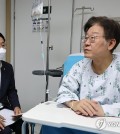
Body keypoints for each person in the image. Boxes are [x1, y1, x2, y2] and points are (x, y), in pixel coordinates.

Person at [40, 16, 120, 134]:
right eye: (86, 38)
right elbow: (64, 91)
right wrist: (75, 103)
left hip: (109, 126)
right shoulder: (80, 66)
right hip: (80, 122)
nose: (86, 43)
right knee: (49, 126)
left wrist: (103, 110)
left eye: (93, 38)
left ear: (111, 43)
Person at [0, 33, 28, 134]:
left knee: (24, 123)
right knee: (5, 131)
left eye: (2, 45)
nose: (1, 49)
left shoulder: (7, 68)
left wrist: (16, 106)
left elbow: (11, 91)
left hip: (4, 108)